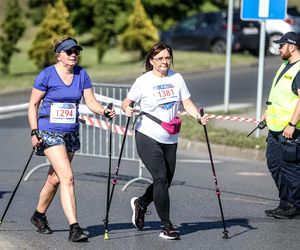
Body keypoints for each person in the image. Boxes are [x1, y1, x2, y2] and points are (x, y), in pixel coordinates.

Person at [28, 37, 116, 242]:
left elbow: (91, 101)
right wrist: (34, 131)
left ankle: (38, 215)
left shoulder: (82, 74)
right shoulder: (47, 75)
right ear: (59, 55)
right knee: (67, 177)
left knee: (55, 178)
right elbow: (33, 104)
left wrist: (103, 111)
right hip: (49, 131)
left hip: (71, 133)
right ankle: (74, 227)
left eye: (76, 51)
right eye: (69, 52)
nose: (74, 55)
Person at [121, 42, 209, 240]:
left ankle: (141, 204)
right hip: (147, 134)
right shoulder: (143, 81)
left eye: (167, 58)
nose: (164, 62)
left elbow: (186, 101)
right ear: (151, 61)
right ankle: (166, 225)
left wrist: (198, 117)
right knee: (160, 177)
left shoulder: (176, 78)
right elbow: (127, 101)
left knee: (165, 182)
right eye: (160, 58)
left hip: (170, 136)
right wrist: (126, 108)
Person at [263, 32, 300, 219]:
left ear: (292, 47)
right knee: (275, 164)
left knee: (290, 168)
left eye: (281, 45)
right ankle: (285, 203)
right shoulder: (285, 65)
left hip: (291, 130)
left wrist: (292, 124)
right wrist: (268, 112)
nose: (278, 48)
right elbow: (279, 94)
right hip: (275, 127)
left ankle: (295, 205)